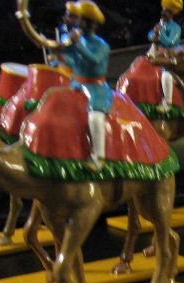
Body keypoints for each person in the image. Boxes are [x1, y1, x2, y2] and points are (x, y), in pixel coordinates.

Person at [65, 1, 111, 169]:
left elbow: (94, 60)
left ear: (89, 23)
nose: (77, 21)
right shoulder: (77, 40)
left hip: (96, 87)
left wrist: (77, 44)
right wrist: (58, 52)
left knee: (95, 116)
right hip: (76, 83)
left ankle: (99, 157)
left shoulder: (102, 45)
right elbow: (70, 58)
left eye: (81, 19)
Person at [148, 0, 183, 112]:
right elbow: (149, 35)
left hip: (171, 57)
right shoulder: (160, 25)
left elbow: (170, 42)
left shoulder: (176, 28)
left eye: (167, 11)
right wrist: (155, 34)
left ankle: (168, 103)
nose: (163, 13)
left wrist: (159, 33)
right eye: (164, 10)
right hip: (157, 54)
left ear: (172, 13)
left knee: (166, 74)